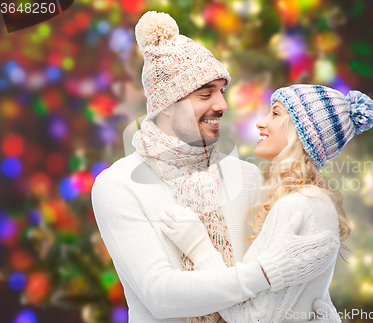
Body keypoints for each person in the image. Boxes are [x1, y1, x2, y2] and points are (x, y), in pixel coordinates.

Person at [91, 11, 334, 323]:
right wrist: (267, 272)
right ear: (166, 105)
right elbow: (161, 296)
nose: (222, 105)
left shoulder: (247, 177)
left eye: (221, 91)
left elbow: (270, 304)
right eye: (205, 94)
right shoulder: (119, 185)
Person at [160, 84, 373, 322]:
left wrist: (198, 248)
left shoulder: (296, 205)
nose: (261, 122)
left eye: (275, 113)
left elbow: (251, 318)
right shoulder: (316, 201)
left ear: (300, 131)